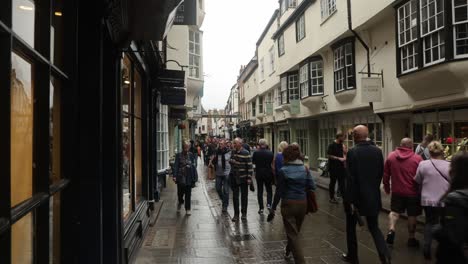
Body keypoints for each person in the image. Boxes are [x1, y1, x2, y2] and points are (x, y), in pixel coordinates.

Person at [342, 125, 391, 264]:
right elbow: (380, 172)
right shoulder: (377, 151)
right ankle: (385, 255)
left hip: (356, 197)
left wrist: (349, 200)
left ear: (356, 136)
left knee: (351, 228)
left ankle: (353, 256)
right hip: (372, 195)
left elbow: (350, 178)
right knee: (374, 227)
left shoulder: (352, 152)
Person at [269, 144, 315, 264]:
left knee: (293, 235)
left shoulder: (283, 171)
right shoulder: (305, 169)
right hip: (302, 204)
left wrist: (273, 208)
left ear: (287, 157)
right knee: (294, 232)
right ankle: (288, 250)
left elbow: (279, 192)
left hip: (288, 204)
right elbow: (312, 186)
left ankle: (300, 261)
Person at [414, 141, 451, 260]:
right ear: (442, 151)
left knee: (429, 223)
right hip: (444, 199)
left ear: (429, 152)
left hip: (427, 199)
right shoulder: (449, 165)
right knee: (444, 223)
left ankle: (427, 247)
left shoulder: (423, 164)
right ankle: (443, 249)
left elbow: (417, 180)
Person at [383, 138, 423, 248]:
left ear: (400, 145)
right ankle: (411, 238)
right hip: (413, 193)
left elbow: (386, 174)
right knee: (412, 215)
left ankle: (391, 229)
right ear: (411, 146)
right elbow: (422, 177)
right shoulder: (417, 158)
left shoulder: (391, 156)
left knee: (394, 212)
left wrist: (386, 187)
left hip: (397, 191)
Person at [433, 152, 468, 264]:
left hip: (453, 257)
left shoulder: (454, 200)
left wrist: (436, 230)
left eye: (451, 166)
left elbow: (453, 236)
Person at [230, 137, 253, 222]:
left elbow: (249, 166)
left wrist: (249, 178)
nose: (234, 145)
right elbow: (231, 160)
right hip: (235, 177)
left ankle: (244, 213)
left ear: (240, 144)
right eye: (234, 143)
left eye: (235, 143)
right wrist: (233, 161)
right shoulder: (233, 151)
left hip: (243, 178)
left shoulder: (246, 152)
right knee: (235, 197)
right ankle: (236, 214)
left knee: (244, 196)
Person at [173, 141, 198, 215]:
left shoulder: (191, 155)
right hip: (180, 177)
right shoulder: (178, 155)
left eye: (188, 147)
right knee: (180, 193)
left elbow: (193, 166)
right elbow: (176, 166)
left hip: (189, 177)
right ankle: (180, 202)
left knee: (188, 194)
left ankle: (188, 208)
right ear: (183, 147)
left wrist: (191, 166)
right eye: (185, 147)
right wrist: (174, 176)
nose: (186, 149)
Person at [252, 139, 274, 214]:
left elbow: (253, 162)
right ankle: (269, 204)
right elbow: (271, 162)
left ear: (259, 144)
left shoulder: (256, 153)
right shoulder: (270, 153)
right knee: (269, 190)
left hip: (259, 174)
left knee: (260, 191)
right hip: (268, 173)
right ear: (265, 144)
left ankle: (261, 208)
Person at [212, 140, 231, 213]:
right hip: (218, 173)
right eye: (219, 144)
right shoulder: (216, 151)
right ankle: (224, 200)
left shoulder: (229, 151)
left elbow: (231, 160)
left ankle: (225, 206)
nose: (220, 145)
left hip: (226, 173)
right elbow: (213, 160)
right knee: (218, 188)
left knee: (226, 190)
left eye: (222, 144)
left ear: (225, 144)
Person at [327, 132, 347, 204]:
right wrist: (338, 158)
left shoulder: (342, 145)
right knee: (333, 183)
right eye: (344, 137)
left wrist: (345, 154)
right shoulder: (331, 145)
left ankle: (344, 198)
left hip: (342, 168)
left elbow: (345, 154)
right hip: (333, 167)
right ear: (339, 137)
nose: (344, 139)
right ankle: (332, 198)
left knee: (342, 183)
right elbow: (329, 155)